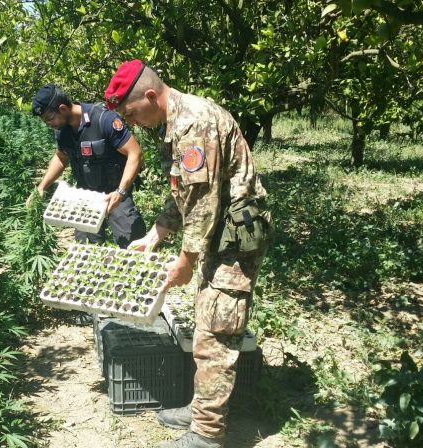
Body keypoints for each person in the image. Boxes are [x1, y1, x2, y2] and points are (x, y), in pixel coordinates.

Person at [104, 60, 272, 448]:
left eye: (131, 114)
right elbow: (183, 190)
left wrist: (186, 259)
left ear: (150, 96)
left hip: (232, 240)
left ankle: (207, 434)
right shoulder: (175, 123)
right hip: (216, 235)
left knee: (216, 333)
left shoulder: (194, 123)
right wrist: (156, 233)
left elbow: (203, 202)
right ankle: (202, 406)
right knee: (205, 322)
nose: (132, 123)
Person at [28, 83, 146, 248]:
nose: (48, 124)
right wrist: (41, 187)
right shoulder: (62, 130)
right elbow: (61, 157)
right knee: (86, 249)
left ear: (62, 109)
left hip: (115, 191)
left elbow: (135, 153)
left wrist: (120, 192)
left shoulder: (103, 119)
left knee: (133, 245)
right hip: (87, 196)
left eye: (49, 119)